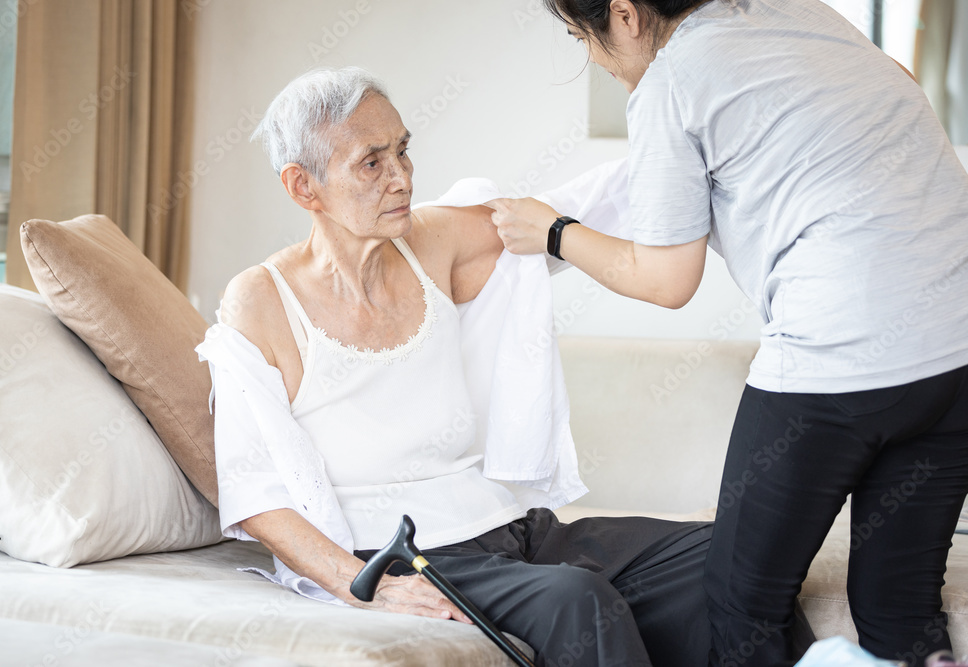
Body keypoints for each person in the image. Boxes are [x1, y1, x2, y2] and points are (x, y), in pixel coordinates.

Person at [487, 1, 968, 666]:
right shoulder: (797, 12)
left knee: (742, 605)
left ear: (623, 14)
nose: (592, 58)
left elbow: (666, 280)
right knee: (900, 601)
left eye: (581, 36)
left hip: (838, 359)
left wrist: (554, 231)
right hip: (956, 349)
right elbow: (898, 88)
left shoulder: (673, 81)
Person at [196, 66, 718, 667]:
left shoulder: (432, 240)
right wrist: (365, 585)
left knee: (717, 554)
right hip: (406, 552)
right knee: (578, 599)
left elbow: (569, 209)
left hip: (512, 528)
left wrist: (696, 133)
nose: (402, 178)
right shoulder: (262, 298)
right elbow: (254, 490)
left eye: (403, 151)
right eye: (372, 162)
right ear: (303, 186)